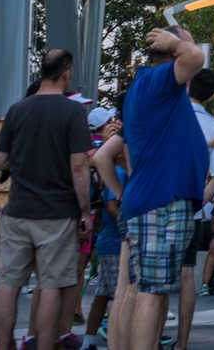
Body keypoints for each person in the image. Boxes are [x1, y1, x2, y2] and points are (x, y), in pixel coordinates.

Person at [0, 49, 93, 350]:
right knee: (50, 285)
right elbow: (79, 165)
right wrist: (85, 211)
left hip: (18, 210)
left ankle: (4, 345)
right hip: (57, 214)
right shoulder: (73, 113)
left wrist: (23, 161)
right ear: (67, 72)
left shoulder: (17, 110)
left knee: (8, 283)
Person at [112, 27, 207, 350]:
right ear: (170, 53)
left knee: (144, 289)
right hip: (161, 202)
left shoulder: (152, 88)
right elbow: (195, 57)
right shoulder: (158, 83)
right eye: (183, 42)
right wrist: (182, 44)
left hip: (154, 199)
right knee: (150, 293)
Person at [178, 67, 214, 348]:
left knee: (151, 280)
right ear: (212, 96)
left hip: (159, 199)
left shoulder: (172, 113)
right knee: (187, 272)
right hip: (192, 208)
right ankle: (182, 341)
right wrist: (199, 202)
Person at [84, 112, 125, 350]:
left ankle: (89, 339)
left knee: (104, 293)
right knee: (118, 294)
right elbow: (111, 206)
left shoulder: (119, 172)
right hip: (114, 242)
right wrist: (128, 223)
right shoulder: (118, 173)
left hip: (109, 242)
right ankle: (117, 338)